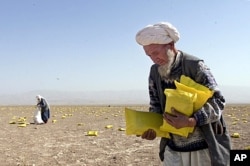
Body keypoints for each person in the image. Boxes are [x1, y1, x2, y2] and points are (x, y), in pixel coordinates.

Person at [135, 22, 231, 166]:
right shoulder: (154, 72)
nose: (153, 59)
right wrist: (151, 128)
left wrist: (191, 121)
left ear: (171, 45)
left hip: (204, 149)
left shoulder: (195, 66)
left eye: (155, 52)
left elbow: (218, 101)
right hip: (173, 149)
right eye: (149, 55)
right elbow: (155, 106)